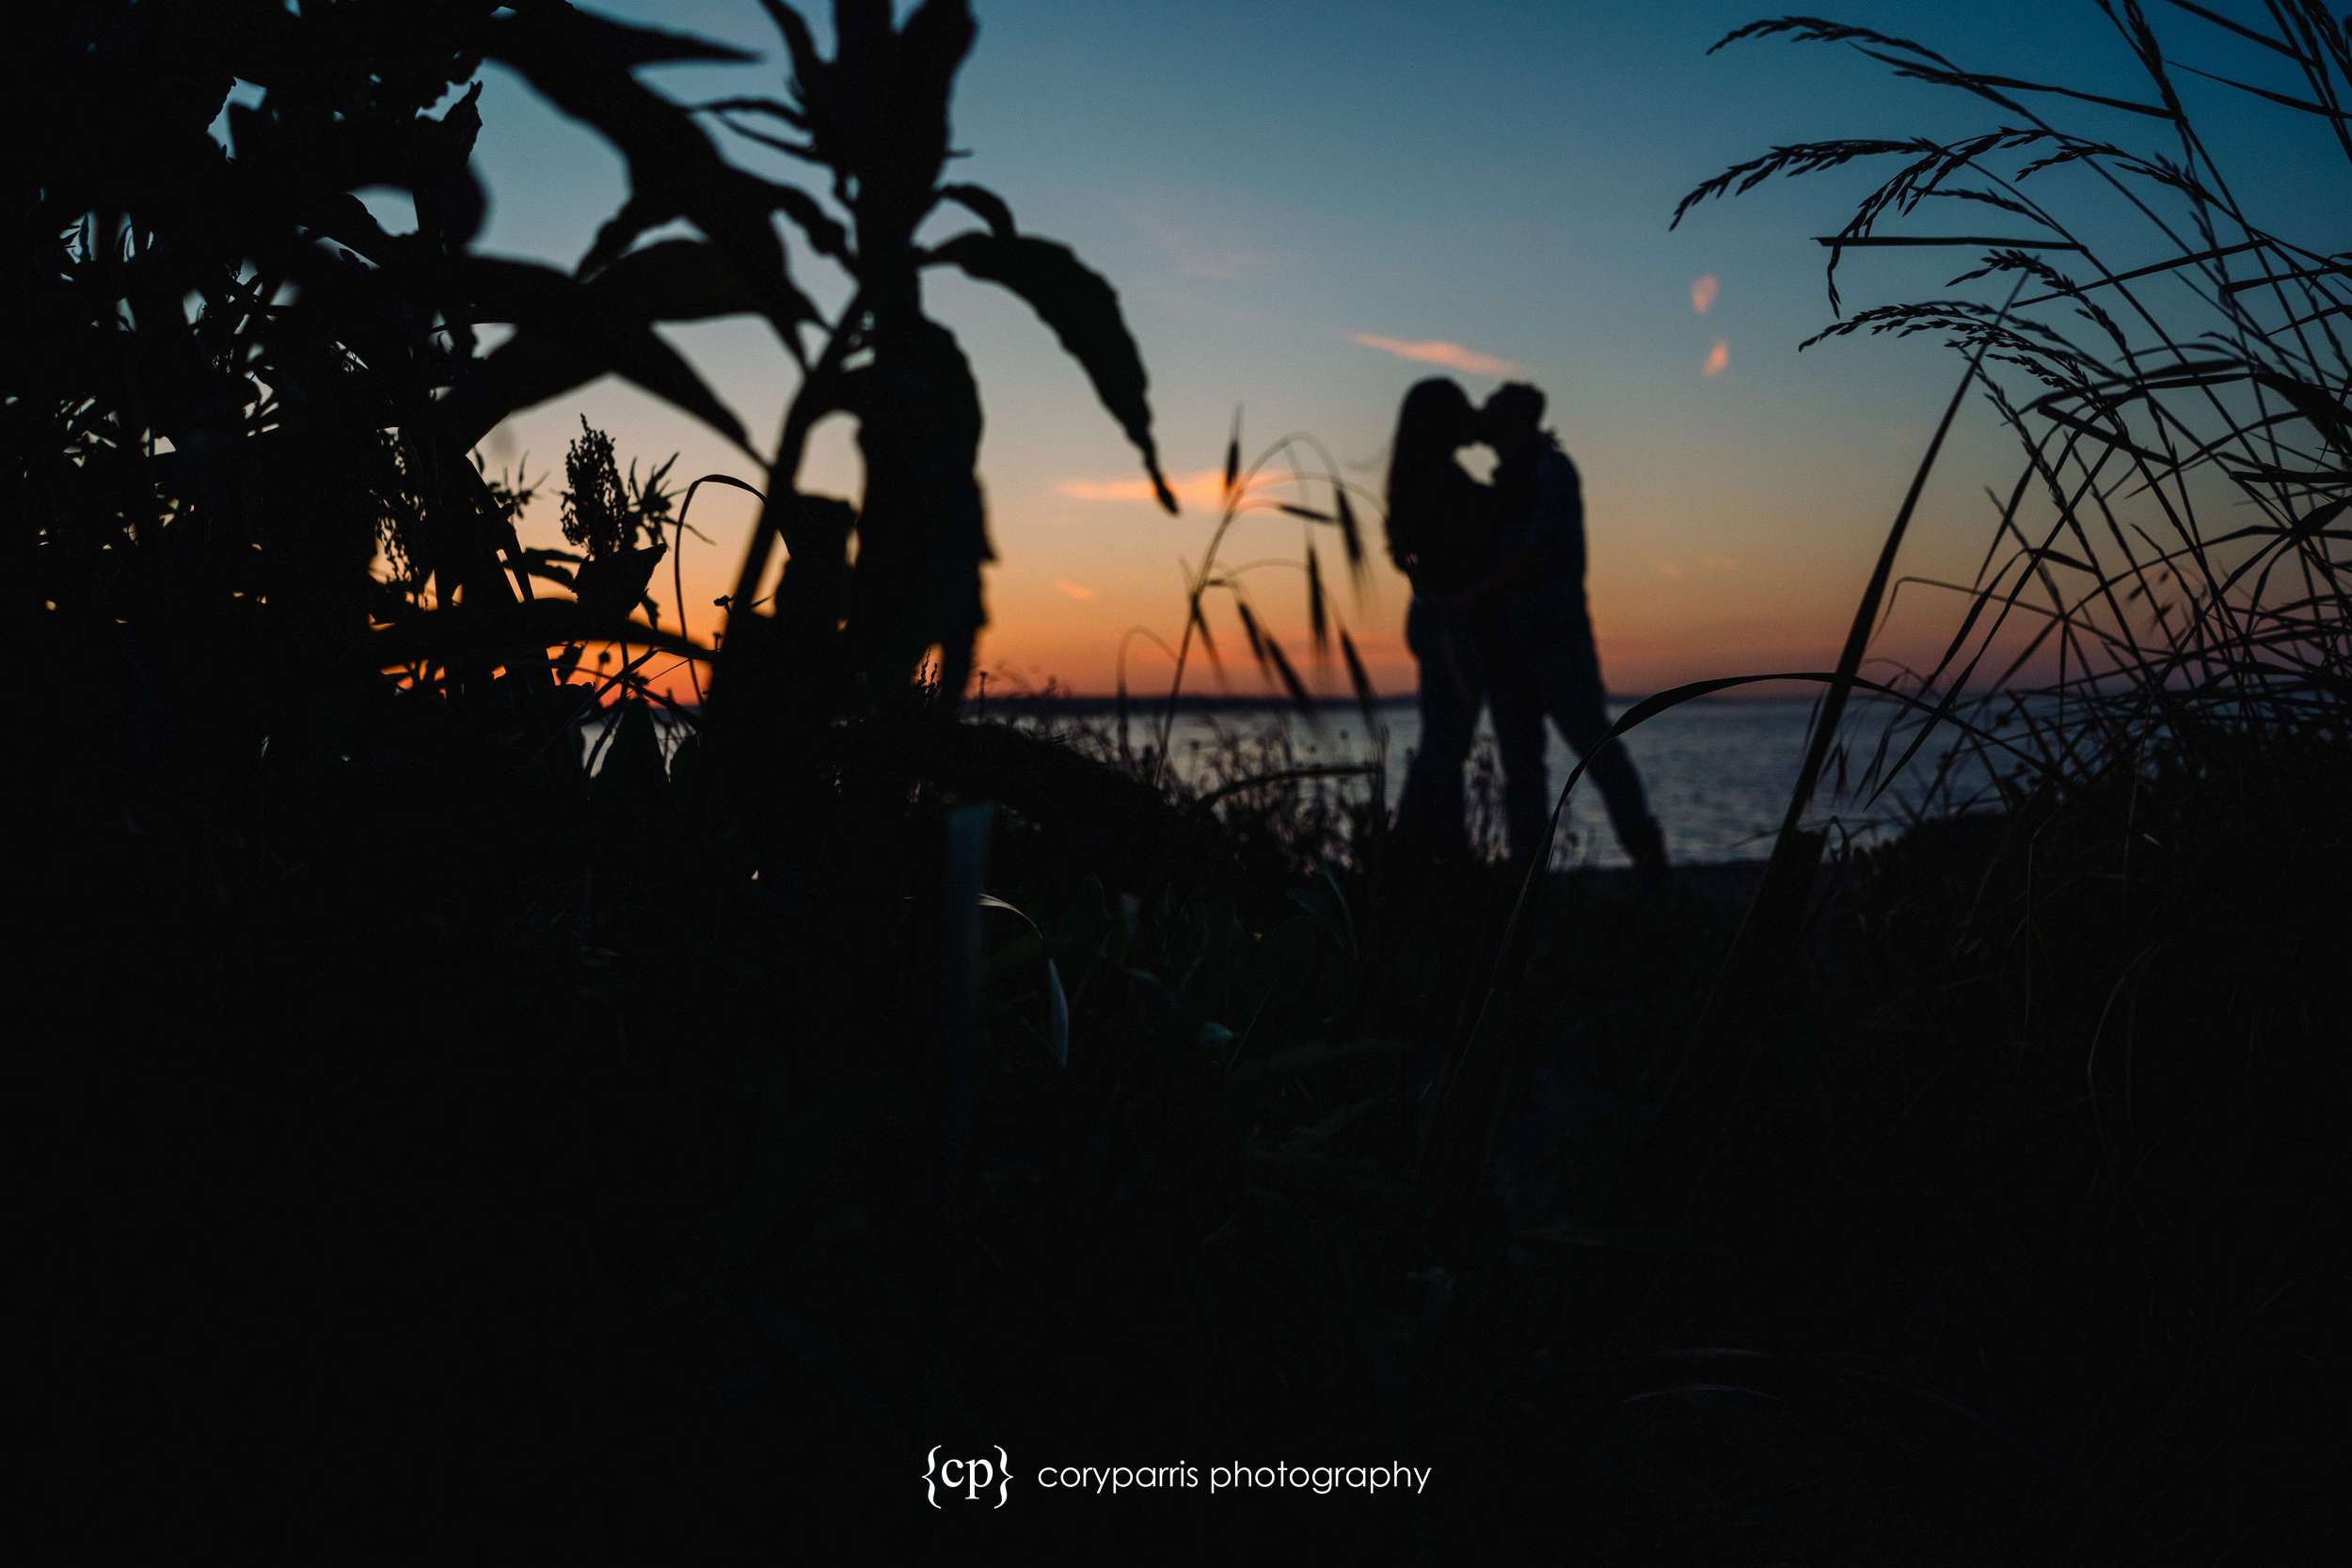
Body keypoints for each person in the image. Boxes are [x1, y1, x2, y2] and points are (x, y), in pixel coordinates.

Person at [1456, 382, 1667, 878]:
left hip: (1556, 642)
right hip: (1509, 648)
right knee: (1523, 770)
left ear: (1517, 417)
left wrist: (1474, 595)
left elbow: (1538, 552)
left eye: (1494, 405)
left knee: (1596, 751)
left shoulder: (1551, 471)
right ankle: (1527, 877)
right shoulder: (1507, 480)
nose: (1483, 411)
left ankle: (1648, 857)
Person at [1381, 377, 1499, 857]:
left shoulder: (1420, 477)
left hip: (1433, 618)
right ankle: (1408, 850)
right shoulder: (1440, 481)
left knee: (1445, 743)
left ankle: (1442, 852)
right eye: (1461, 409)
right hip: (1448, 623)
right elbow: (1468, 545)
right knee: (1445, 746)